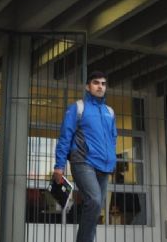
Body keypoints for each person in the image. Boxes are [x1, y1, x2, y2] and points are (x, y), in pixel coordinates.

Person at [54, 71, 117, 242]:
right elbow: (65, 137)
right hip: (83, 162)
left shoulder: (109, 112)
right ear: (88, 87)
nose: (100, 86)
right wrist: (59, 166)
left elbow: (113, 138)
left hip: (104, 166)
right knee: (95, 200)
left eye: (103, 83)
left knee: (95, 208)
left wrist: (112, 160)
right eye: (96, 83)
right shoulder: (78, 108)